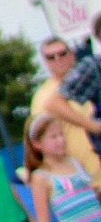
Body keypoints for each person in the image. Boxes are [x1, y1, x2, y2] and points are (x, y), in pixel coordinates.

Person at [31, 37, 101, 180]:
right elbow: (41, 142)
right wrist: (94, 127)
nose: (58, 59)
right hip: (81, 179)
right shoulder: (43, 96)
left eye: (62, 54)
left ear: (72, 55)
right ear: (46, 63)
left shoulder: (84, 86)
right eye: (51, 57)